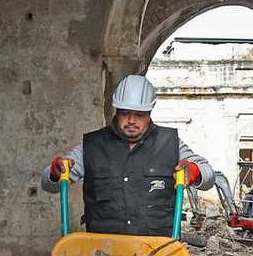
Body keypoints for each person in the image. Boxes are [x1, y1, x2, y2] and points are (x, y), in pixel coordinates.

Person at [41, 75, 215, 235]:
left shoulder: (169, 143)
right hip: (103, 249)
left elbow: (208, 176)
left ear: (149, 113)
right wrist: (55, 173)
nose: (131, 120)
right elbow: (49, 184)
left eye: (139, 115)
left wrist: (194, 170)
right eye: (125, 113)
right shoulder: (93, 145)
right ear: (117, 111)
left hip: (157, 251)